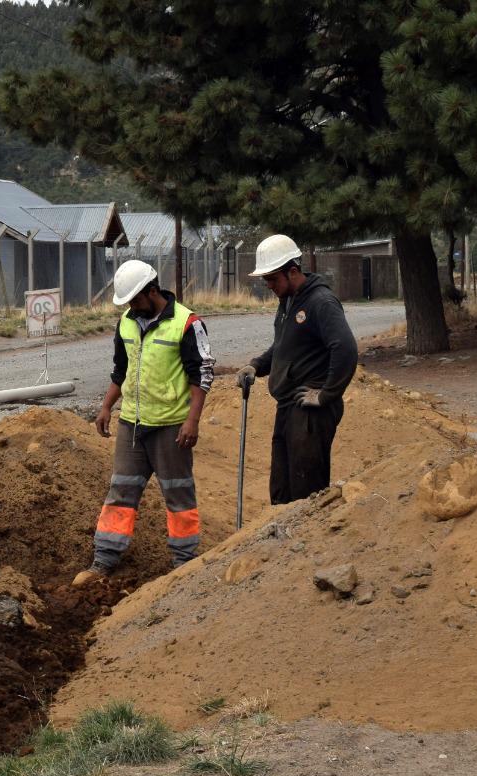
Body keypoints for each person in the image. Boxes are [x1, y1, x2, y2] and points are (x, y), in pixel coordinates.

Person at [73, 260, 215, 588]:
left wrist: (192, 421)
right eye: (128, 302)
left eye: (135, 300)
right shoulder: (126, 322)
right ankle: (104, 560)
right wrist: (106, 407)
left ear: (153, 291)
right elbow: (120, 370)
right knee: (121, 490)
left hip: (170, 426)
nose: (132, 307)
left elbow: (202, 374)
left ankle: (184, 565)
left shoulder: (187, 323)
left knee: (178, 495)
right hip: (132, 425)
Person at [236, 234, 358, 505]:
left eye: (272, 279)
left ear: (292, 271)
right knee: (281, 488)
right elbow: (283, 346)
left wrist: (326, 394)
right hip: (288, 406)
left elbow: (346, 349)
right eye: (266, 280)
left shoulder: (321, 302)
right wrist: (256, 365)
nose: (269, 286)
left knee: (306, 491)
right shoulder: (288, 301)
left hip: (310, 412)